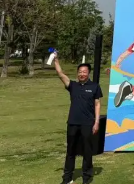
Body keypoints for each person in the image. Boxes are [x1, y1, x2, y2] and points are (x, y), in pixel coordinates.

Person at [54, 53, 103, 184]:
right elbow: (60, 74)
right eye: (80, 72)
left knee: (87, 151)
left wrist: (96, 122)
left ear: (88, 73)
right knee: (70, 151)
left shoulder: (94, 86)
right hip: (73, 123)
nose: (82, 74)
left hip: (87, 123)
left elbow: (97, 104)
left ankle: (87, 177)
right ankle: (67, 178)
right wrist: (56, 60)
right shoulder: (73, 86)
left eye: (84, 72)